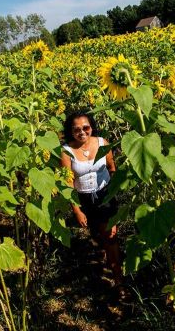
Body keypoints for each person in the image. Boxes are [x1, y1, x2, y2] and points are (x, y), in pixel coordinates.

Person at [60, 110, 124, 291]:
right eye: (76, 129)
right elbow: (68, 183)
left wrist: (114, 192)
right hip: (84, 198)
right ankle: (105, 255)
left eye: (85, 127)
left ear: (92, 127)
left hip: (105, 194)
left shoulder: (103, 143)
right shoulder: (67, 152)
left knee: (111, 236)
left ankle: (118, 277)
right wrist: (77, 210)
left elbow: (112, 168)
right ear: (70, 131)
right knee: (98, 232)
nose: (82, 132)